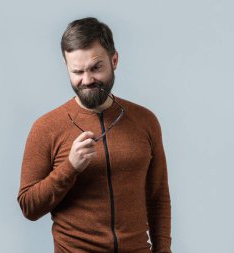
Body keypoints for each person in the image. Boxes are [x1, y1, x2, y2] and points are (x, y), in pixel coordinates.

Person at [17, 17, 171, 253]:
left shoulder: (145, 121)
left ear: (114, 60)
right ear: (66, 66)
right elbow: (29, 206)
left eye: (96, 68)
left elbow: (157, 197)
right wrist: (70, 167)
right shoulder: (46, 127)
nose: (87, 80)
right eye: (77, 71)